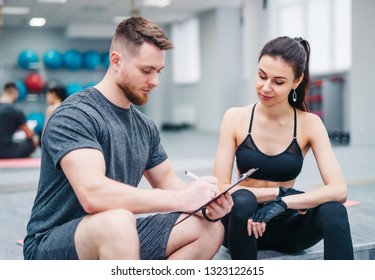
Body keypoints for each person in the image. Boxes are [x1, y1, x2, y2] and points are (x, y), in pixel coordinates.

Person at [23, 16, 233, 260]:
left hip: (117, 238)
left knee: (208, 228)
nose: (154, 81)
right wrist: (181, 198)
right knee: (118, 220)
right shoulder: (75, 114)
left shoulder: (145, 127)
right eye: (146, 70)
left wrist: (205, 204)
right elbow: (93, 195)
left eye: (159, 71)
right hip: (52, 244)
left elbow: (170, 184)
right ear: (116, 61)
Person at [213, 36, 354, 260]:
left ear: (296, 82)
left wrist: (281, 203)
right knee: (242, 198)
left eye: (278, 82)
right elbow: (221, 188)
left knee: (334, 211)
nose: (266, 87)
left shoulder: (309, 123)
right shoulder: (235, 118)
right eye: (261, 76)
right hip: (242, 223)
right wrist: (277, 193)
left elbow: (339, 190)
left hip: (287, 227)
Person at [0, 82, 39, 158]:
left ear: (4, 91)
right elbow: (29, 134)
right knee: (35, 139)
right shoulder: (16, 110)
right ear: (15, 93)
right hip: (7, 152)